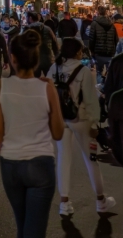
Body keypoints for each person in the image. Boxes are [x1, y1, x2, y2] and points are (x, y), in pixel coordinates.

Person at [0, 29, 64, 238]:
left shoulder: (2, 86)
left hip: (10, 164)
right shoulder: (46, 88)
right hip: (41, 163)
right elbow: (58, 133)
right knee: (34, 231)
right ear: (37, 60)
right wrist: (53, 96)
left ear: (13, 58)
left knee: (23, 226)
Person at [46, 36, 116, 217]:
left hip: (61, 120)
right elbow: (92, 101)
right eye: (80, 50)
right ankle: (101, 201)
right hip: (81, 119)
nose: (81, 53)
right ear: (75, 52)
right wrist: (94, 123)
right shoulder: (83, 71)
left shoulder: (54, 68)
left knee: (63, 158)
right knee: (91, 160)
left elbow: (47, 94)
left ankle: (64, 203)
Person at [23, 9, 58, 77]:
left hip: (33, 59)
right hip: (48, 58)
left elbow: (22, 44)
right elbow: (55, 43)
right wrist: (56, 57)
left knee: (33, 82)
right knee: (49, 80)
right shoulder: (48, 29)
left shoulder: (27, 29)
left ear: (30, 18)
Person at [88, 5, 117, 84]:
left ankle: (100, 89)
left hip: (98, 52)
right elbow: (116, 39)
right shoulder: (112, 25)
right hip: (110, 53)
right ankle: (107, 89)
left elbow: (91, 39)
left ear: (98, 12)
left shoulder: (94, 24)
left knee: (99, 71)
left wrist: (91, 50)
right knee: (110, 73)